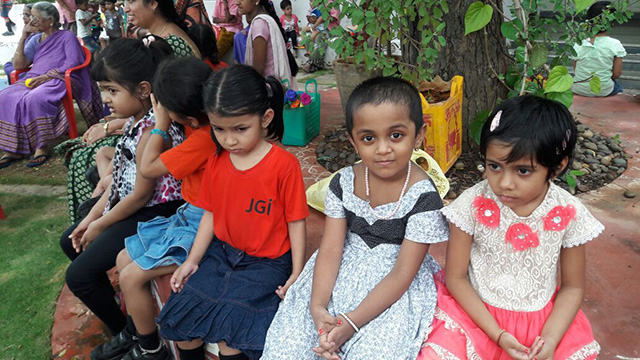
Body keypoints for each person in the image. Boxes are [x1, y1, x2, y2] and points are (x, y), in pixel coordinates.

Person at [262, 77, 449, 360]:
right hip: (337, 273)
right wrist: (318, 307)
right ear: (352, 140)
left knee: (375, 351)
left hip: (392, 288)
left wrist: (350, 322)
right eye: (368, 138)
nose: (383, 148)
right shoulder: (343, 183)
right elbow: (331, 248)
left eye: (396, 135)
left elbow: (402, 274)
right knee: (291, 345)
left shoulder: (424, 197)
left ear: (419, 134)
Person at [418, 96, 602, 360]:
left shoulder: (567, 213)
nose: (504, 183)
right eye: (494, 166)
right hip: (474, 317)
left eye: (523, 171)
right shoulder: (472, 204)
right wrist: (498, 334)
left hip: (544, 325)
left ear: (557, 166)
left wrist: (549, 340)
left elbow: (573, 287)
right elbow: (455, 278)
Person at [156, 65, 309, 360]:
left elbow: (296, 220)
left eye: (240, 129)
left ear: (265, 119)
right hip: (222, 254)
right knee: (185, 330)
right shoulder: (216, 161)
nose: (229, 140)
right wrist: (192, 260)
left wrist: (297, 272)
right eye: (219, 129)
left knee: (232, 342)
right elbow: (210, 213)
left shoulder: (284, 166)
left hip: (267, 264)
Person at [59, 36, 185, 338]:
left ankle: (127, 333)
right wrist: (90, 220)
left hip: (156, 212)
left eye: (111, 90)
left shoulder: (156, 130)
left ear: (143, 90)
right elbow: (119, 181)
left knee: (79, 276)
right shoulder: (135, 119)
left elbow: (141, 195)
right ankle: (118, 308)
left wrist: (100, 224)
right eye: (104, 90)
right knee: (70, 239)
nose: (105, 99)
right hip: (134, 206)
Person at [90, 57, 215, 360]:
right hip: (190, 213)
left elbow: (147, 169)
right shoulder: (198, 126)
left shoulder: (200, 140)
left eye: (163, 105)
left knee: (132, 277)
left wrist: (160, 125)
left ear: (187, 117)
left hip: (203, 226)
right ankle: (139, 332)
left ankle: (152, 350)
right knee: (122, 258)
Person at [59, 0, 202, 223]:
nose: (125, 8)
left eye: (131, 1)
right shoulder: (150, 40)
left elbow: (170, 105)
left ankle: (98, 206)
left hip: (161, 132)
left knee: (84, 157)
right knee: (88, 152)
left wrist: (112, 126)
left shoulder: (173, 42)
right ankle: (96, 206)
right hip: (143, 120)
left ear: (154, 3)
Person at [0, 1, 102, 169]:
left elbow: (73, 61)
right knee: (5, 96)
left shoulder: (67, 36)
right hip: (34, 77)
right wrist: (23, 36)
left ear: (50, 21)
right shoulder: (35, 39)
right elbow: (19, 65)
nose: (31, 20)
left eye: (36, 17)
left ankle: (41, 146)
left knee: (36, 98)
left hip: (58, 78)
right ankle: (13, 149)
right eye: (30, 16)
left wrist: (47, 76)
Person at [238, 0, 299, 87]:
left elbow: (257, 71)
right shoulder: (264, 20)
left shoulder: (259, 24)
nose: (237, 2)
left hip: (268, 88)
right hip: (274, 85)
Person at [572, 1, 626, 97]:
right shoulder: (615, 44)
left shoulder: (579, 43)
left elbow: (577, 70)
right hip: (604, 90)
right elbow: (617, 73)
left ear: (588, 21)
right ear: (612, 23)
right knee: (617, 86)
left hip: (579, 88)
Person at [303, 0, 339, 73]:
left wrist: (322, 18)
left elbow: (333, 18)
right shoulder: (317, 2)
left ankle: (314, 62)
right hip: (316, 28)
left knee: (320, 39)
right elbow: (309, 16)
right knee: (307, 39)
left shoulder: (333, 3)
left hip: (329, 29)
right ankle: (313, 61)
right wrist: (312, 19)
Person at [3, 4, 38, 81]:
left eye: (27, 15)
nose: (23, 17)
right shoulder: (28, 33)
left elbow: (20, 64)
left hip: (33, 70)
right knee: (8, 65)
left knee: (10, 67)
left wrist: (23, 37)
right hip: (25, 67)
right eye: (23, 14)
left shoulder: (38, 37)